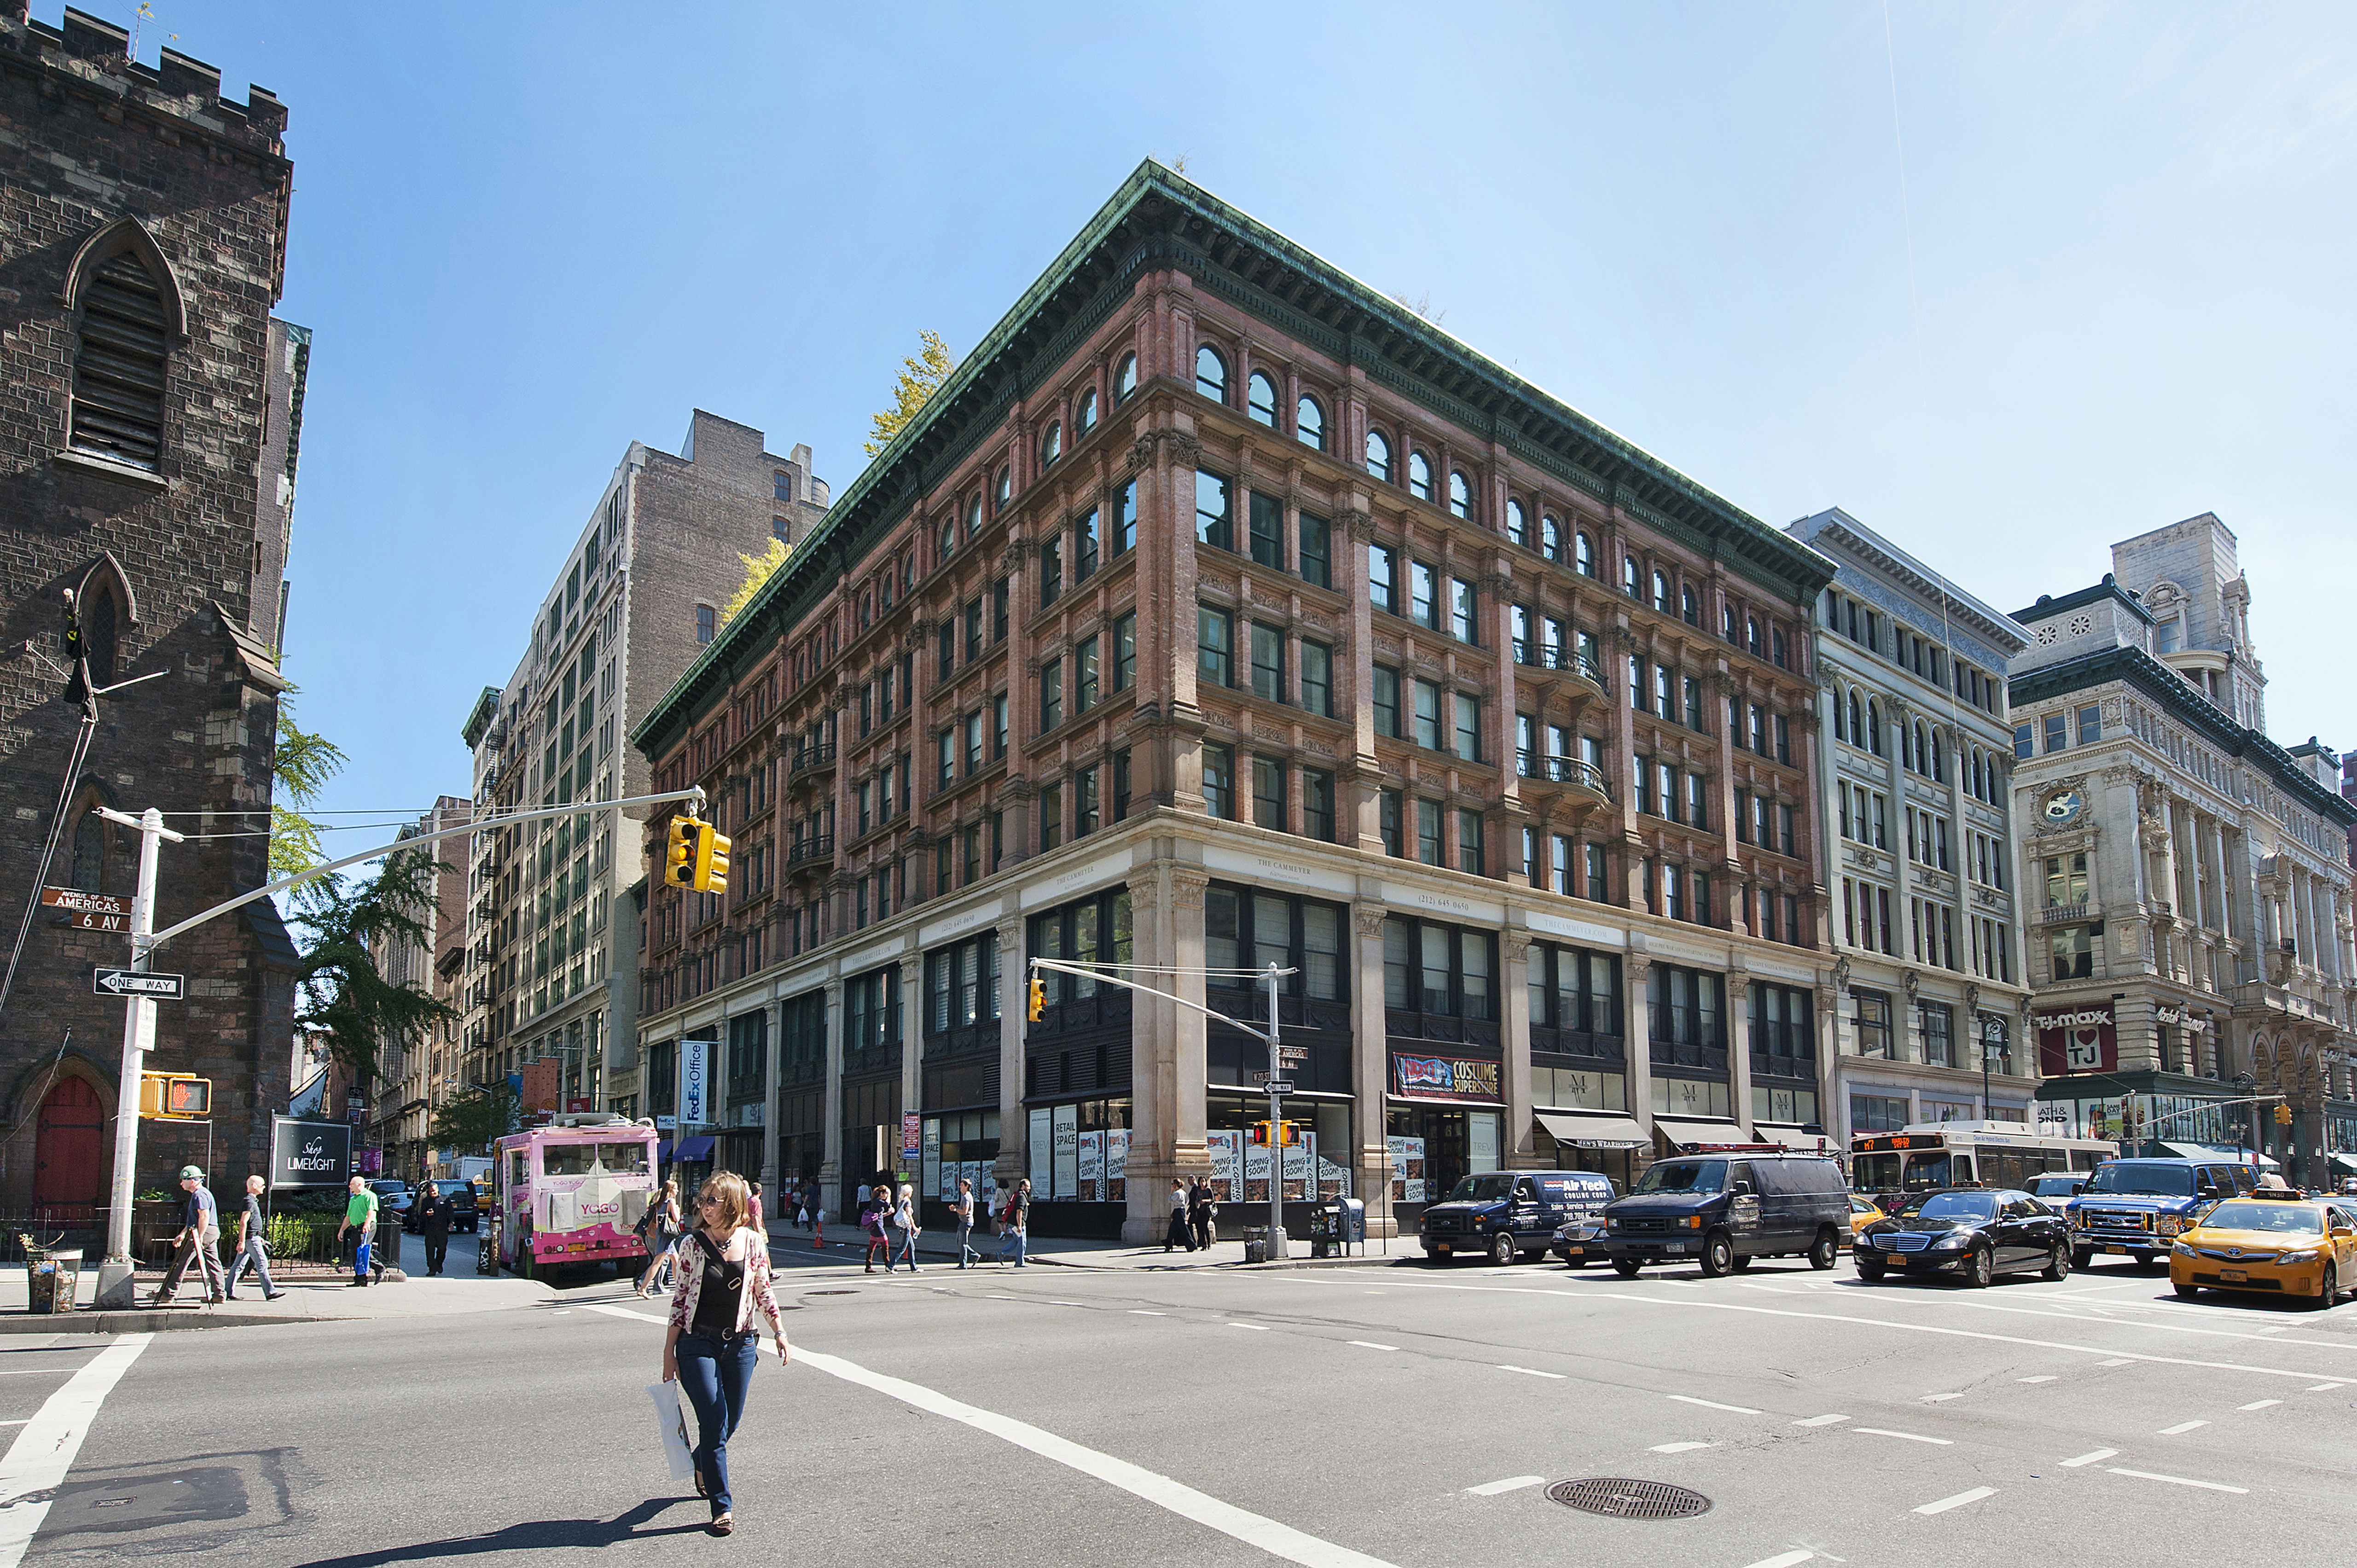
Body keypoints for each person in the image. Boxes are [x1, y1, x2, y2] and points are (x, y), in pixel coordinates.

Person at [661, 1171, 787, 1538]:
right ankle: (722, 1506)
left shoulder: (752, 1242)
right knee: (715, 1421)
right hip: (697, 1343)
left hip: (742, 1343)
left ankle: (701, 1461)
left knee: (730, 1422)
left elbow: (763, 1289)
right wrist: (669, 1352)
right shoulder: (692, 1244)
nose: (704, 1206)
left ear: (732, 1203)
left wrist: (779, 1331)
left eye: (712, 1200)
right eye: (702, 1199)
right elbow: (681, 1301)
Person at [152, 1165, 225, 1304]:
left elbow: (204, 1216)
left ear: (192, 1180)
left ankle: (168, 1293)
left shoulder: (200, 1195)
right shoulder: (202, 1193)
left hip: (203, 1231)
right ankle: (219, 1294)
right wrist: (183, 1234)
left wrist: (200, 1236)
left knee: (181, 1261)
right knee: (214, 1263)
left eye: (183, 1180)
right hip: (211, 1231)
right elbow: (194, 1220)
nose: (181, 1183)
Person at [222, 1174, 283, 1302]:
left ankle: (228, 1292)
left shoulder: (251, 1201)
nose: (264, 1188)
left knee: (238, 1266)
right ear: (254, 1186)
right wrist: (242, 1241)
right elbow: (243, 1222)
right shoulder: (249, 1202)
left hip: (252, 1238)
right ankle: (270, 1292)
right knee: (262, 1264)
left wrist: (256, 1237)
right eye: (262, 1186)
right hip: (251, 1239)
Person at [638, 1179, 683, 1297]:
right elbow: (677, 1219)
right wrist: (678, 1210)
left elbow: (658, 1222)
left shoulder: (660, 1203)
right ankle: (643, 1288)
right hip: (667, 1237)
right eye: (675, 1189)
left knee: (675, 1261)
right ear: (671, 1190)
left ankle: (679, 1286)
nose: (677, 1191)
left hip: (662, 1235)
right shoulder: (671, 1202)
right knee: (657, 1263)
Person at [337, 1175, 379, 1287]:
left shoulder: (369, 1195)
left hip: (366, 1226)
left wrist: (367, 1224)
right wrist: (342, 1230)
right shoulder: (354, 1199)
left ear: (359, 1185)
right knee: (356, 1254)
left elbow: (372, 1211)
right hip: (356, 1228)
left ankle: (380, 1269)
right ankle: (360, 1280)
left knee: (363, 1251)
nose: (350, 1186)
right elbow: (348, 1217)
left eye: (352, 1184)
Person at [413, 1181, 452, 1277]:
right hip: (430, 1229)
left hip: (442, 1228)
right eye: (430, 1192)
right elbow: (421, 1214)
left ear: (438, 1190)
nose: (432, 1193)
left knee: (442, 1249)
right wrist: (427, 1214)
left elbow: (450, 1212)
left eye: (434, 1191)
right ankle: (432, 1269)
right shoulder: (426, 1201)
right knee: (430, 1251)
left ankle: (439, 1264)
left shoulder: (445, 1199)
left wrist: (451, 1223)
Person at [997, 1178, 1031, 1267]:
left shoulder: (1018, 1195)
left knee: (1016, 1240)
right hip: (1017, 1224)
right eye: (1028, 1186)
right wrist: (1020, 1226)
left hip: (1012, 1223)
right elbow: (1019, 1211)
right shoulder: (1022, 1197)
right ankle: (1019, 1262)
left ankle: (1002, 1253)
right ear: (1023, 1186)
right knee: (1022, 1242)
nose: (1029, 1188)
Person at [889, 1182, 920, 1272]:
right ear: (908, 1192)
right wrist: (915, 1228)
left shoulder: (902, 1201)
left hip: (901, 1226)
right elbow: (909, 1215)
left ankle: (914, 1267)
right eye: (911, 1191)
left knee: (912, 1247)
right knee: (902, 1248)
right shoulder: (908, 1202)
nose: (912, 1193)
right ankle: (890, 1266)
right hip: (906, 1227)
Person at [861, 1183, 891, 1273]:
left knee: (872, 1246)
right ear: (881, 1194)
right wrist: (889, 1195)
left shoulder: (876, 1202)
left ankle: (868, 1266)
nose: (886, 1196)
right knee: (885, 1245)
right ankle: (888, 1265)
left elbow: (879, 1215)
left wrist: (888, 1214)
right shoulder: (878, 1201)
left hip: (876, 1226)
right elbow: (887, 1205)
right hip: (878, 1227)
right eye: (885, 1194)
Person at [951, 1177, 979, 1268]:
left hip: (966, 1222)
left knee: (962, 1243)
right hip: (963, 1221)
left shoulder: (967, 1197)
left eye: (962, 1185)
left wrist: (956, 1209)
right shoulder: (965, 1196)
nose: (960, 1187)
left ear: (967, 1187)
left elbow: (965, 1211)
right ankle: (974, 1256)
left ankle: (964, 1263)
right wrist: (957, 1208)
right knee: (960, 1242)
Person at [1165, 1178, 1194, 1252]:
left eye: (1173, 1184)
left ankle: (1191, 1245)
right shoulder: (1183, 1192)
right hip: (1181, 1210)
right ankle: (1168, 1244)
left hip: (1178, 1210)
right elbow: (1187, 1200)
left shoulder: (1177, 1193)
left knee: (1183, 1229)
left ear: (1175, 1185)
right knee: (1172, 1228)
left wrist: (1171, 1192)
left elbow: (1170, 1200)